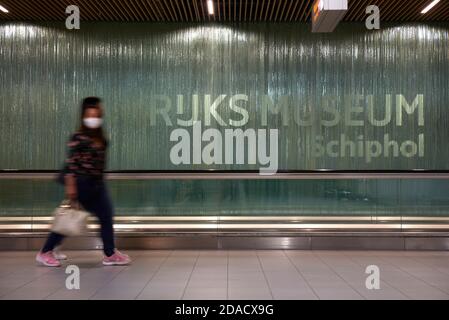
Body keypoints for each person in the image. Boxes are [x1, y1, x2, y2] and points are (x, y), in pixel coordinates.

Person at [36, 97, 131, 267]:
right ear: (84, 115)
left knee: (106, 216)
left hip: (97, 185)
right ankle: (45, 251)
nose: (93, 117)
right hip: (82, 184)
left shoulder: (100, 137)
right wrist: (71, 189)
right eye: (90, 114)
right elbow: (71, 165)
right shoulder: (78, 137)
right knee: (69, 220)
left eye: (96, 113)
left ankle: (110, 253)